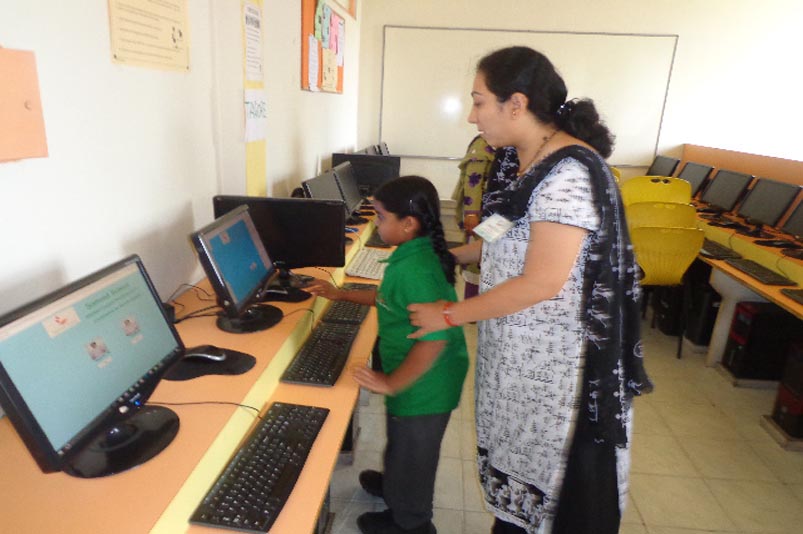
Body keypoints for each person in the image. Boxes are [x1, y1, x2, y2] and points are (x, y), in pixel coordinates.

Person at [407, 47, 652, 534]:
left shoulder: (568, 175)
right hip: (518, 356)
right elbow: (502, 232)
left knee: (545, 493)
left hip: (556, 372)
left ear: (515, 104)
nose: (472, 116)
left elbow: (542, 281)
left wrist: (449, 314)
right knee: (513, 476)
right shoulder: (524, 160)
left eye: (479, 101)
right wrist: (451, 256)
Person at [307, 175, 469, 534]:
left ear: (408, 224)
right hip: (417, 374)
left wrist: (391, 383)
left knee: (415, 451)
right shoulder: (413, 253)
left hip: (426, 381)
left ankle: (411, 521)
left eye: (380, 217)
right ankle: (396, 485)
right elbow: (387, 300)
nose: (376, 224)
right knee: (402, 441)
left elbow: (435, 340)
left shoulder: (415, 270)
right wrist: (340, 294)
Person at [452, 134, 495, 299]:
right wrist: (472, 213)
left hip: (496, 215)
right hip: (482, 215)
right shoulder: (484, 143)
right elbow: (473, 181)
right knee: (476, 265)